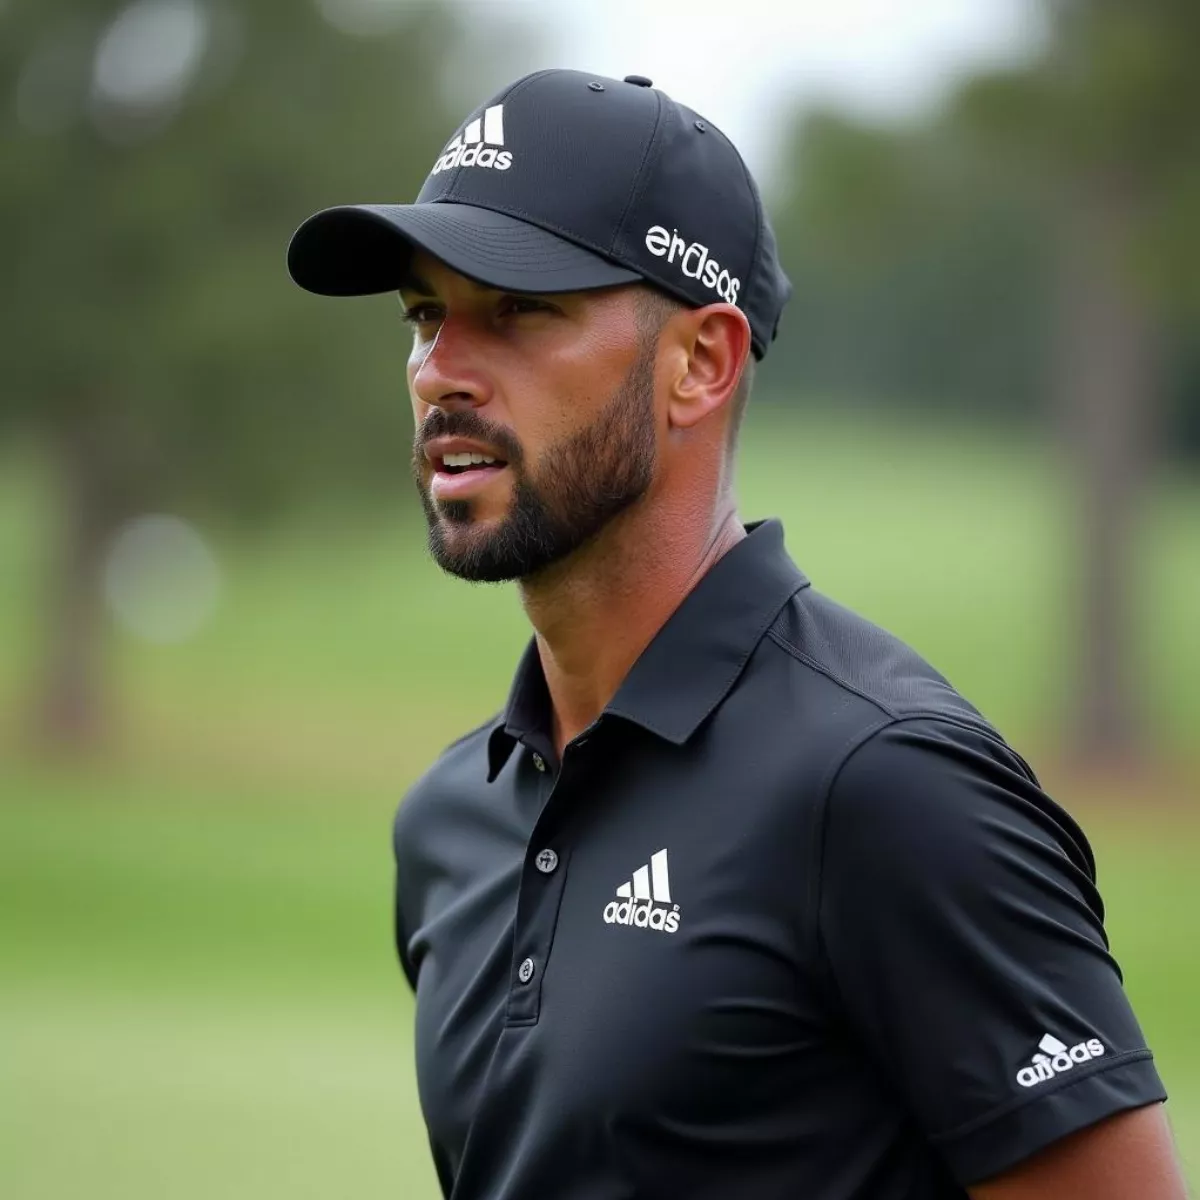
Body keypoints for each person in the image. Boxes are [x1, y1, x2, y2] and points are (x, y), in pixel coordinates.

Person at [287, 69, 1185, 1200]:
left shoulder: (885, 784)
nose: (440, 372)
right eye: (425, 315)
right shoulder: (450, 821)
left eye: (518, 309)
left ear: (700, 363)